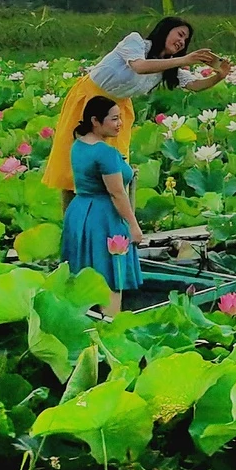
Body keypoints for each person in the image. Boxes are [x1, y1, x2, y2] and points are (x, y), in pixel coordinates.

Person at [43, 16, 227, 209]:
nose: (182, 42)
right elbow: (139, 66)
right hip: (88, 100)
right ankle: (72, 224)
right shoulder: (136, 42)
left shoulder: (168, 66)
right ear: (164, 30)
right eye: (180, 35)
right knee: (76, 166)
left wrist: (219, 76)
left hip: (116, 109)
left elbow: (195, 85)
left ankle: (108, 225)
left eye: (185, 41)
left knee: (111, 169)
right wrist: (185, 59)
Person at [60, 95, 143, 317]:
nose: (120, 124)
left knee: (83, 274)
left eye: (120, 118)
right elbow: (117, 193)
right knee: (110, 275)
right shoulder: (105, 153)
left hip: (79, 212)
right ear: (96, 121)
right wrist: (133, 226)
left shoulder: (79, 144)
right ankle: (110, 326)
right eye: (114, 119)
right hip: (104, 216)